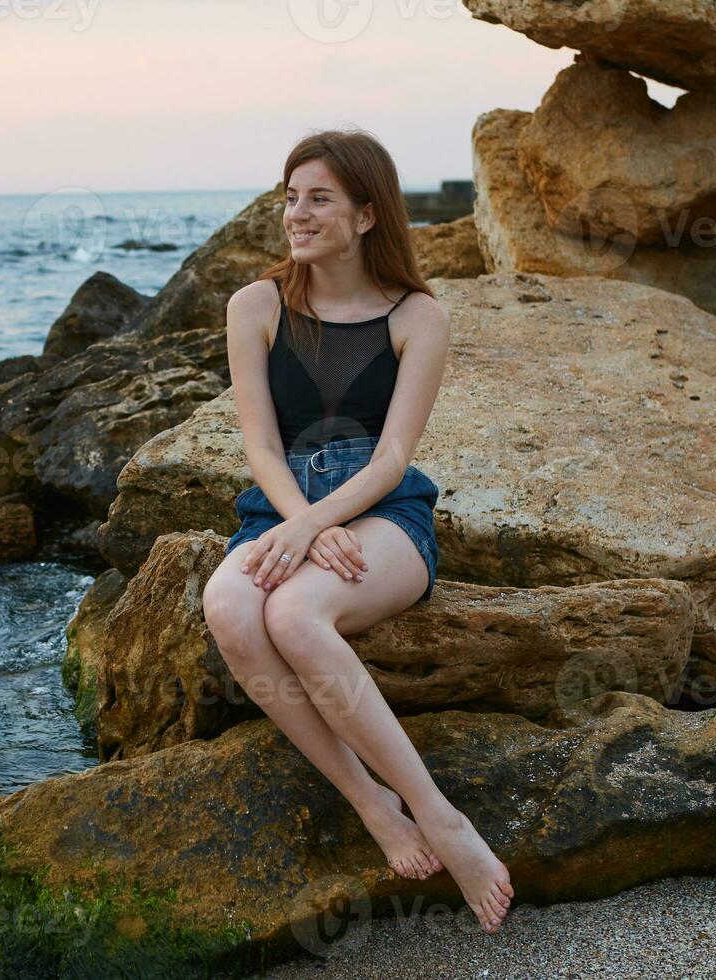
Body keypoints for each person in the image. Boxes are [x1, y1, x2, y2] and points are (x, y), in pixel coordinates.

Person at [200, 128, 514, 934]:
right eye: (290, 196)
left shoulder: (419, 316)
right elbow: (261, 447)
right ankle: (371, 803)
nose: (295, 214)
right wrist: (300, 524)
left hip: (385, 514)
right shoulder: (256, 305)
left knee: (295, 615)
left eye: (318, 199)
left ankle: (437, 814)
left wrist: (322, 524)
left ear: (367, 214)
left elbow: (391, 459)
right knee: (232, 609)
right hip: (283, 503)